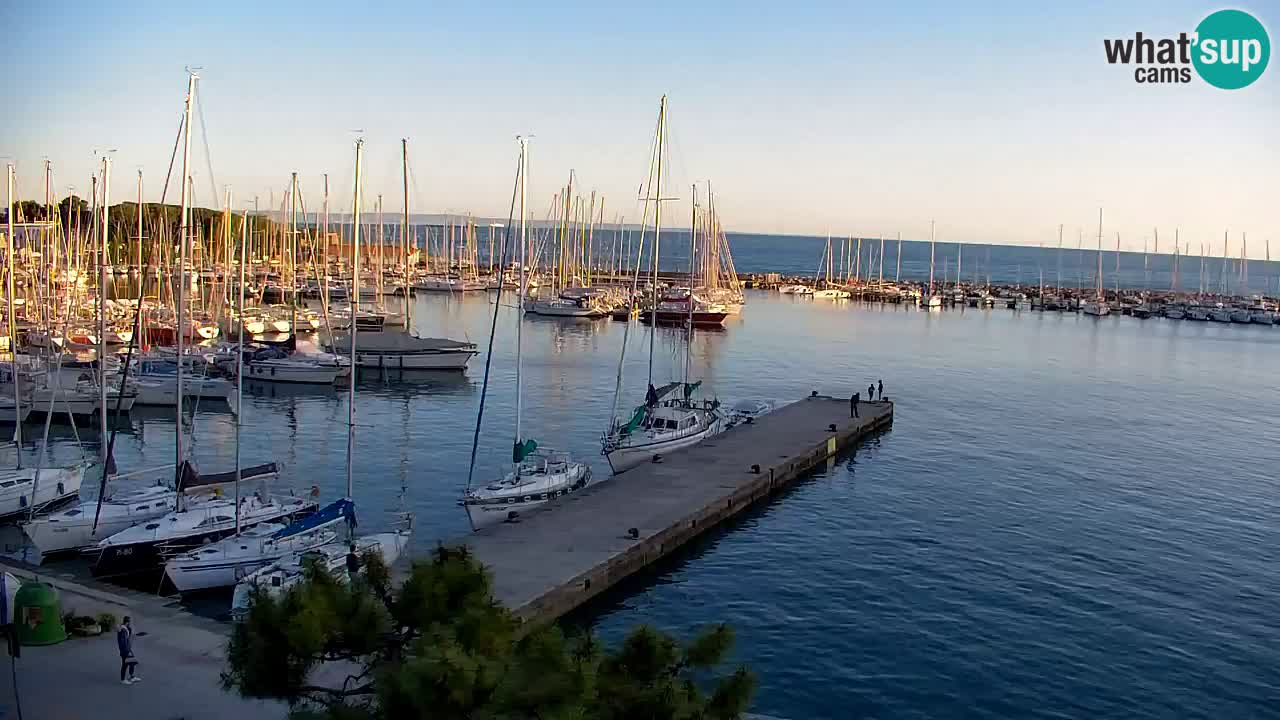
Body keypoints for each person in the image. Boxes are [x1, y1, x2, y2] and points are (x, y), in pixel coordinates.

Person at [117, 616, 139, 684]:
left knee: (132, 662)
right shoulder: (123, 630)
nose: (130, 623)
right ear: (127, 622)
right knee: (125, 664)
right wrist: (127, 651)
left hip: (127, 649)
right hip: (125, 650)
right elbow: (123, 642)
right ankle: (123, 680)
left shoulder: (125, 628)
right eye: (129, 621)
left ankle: (132, 677)